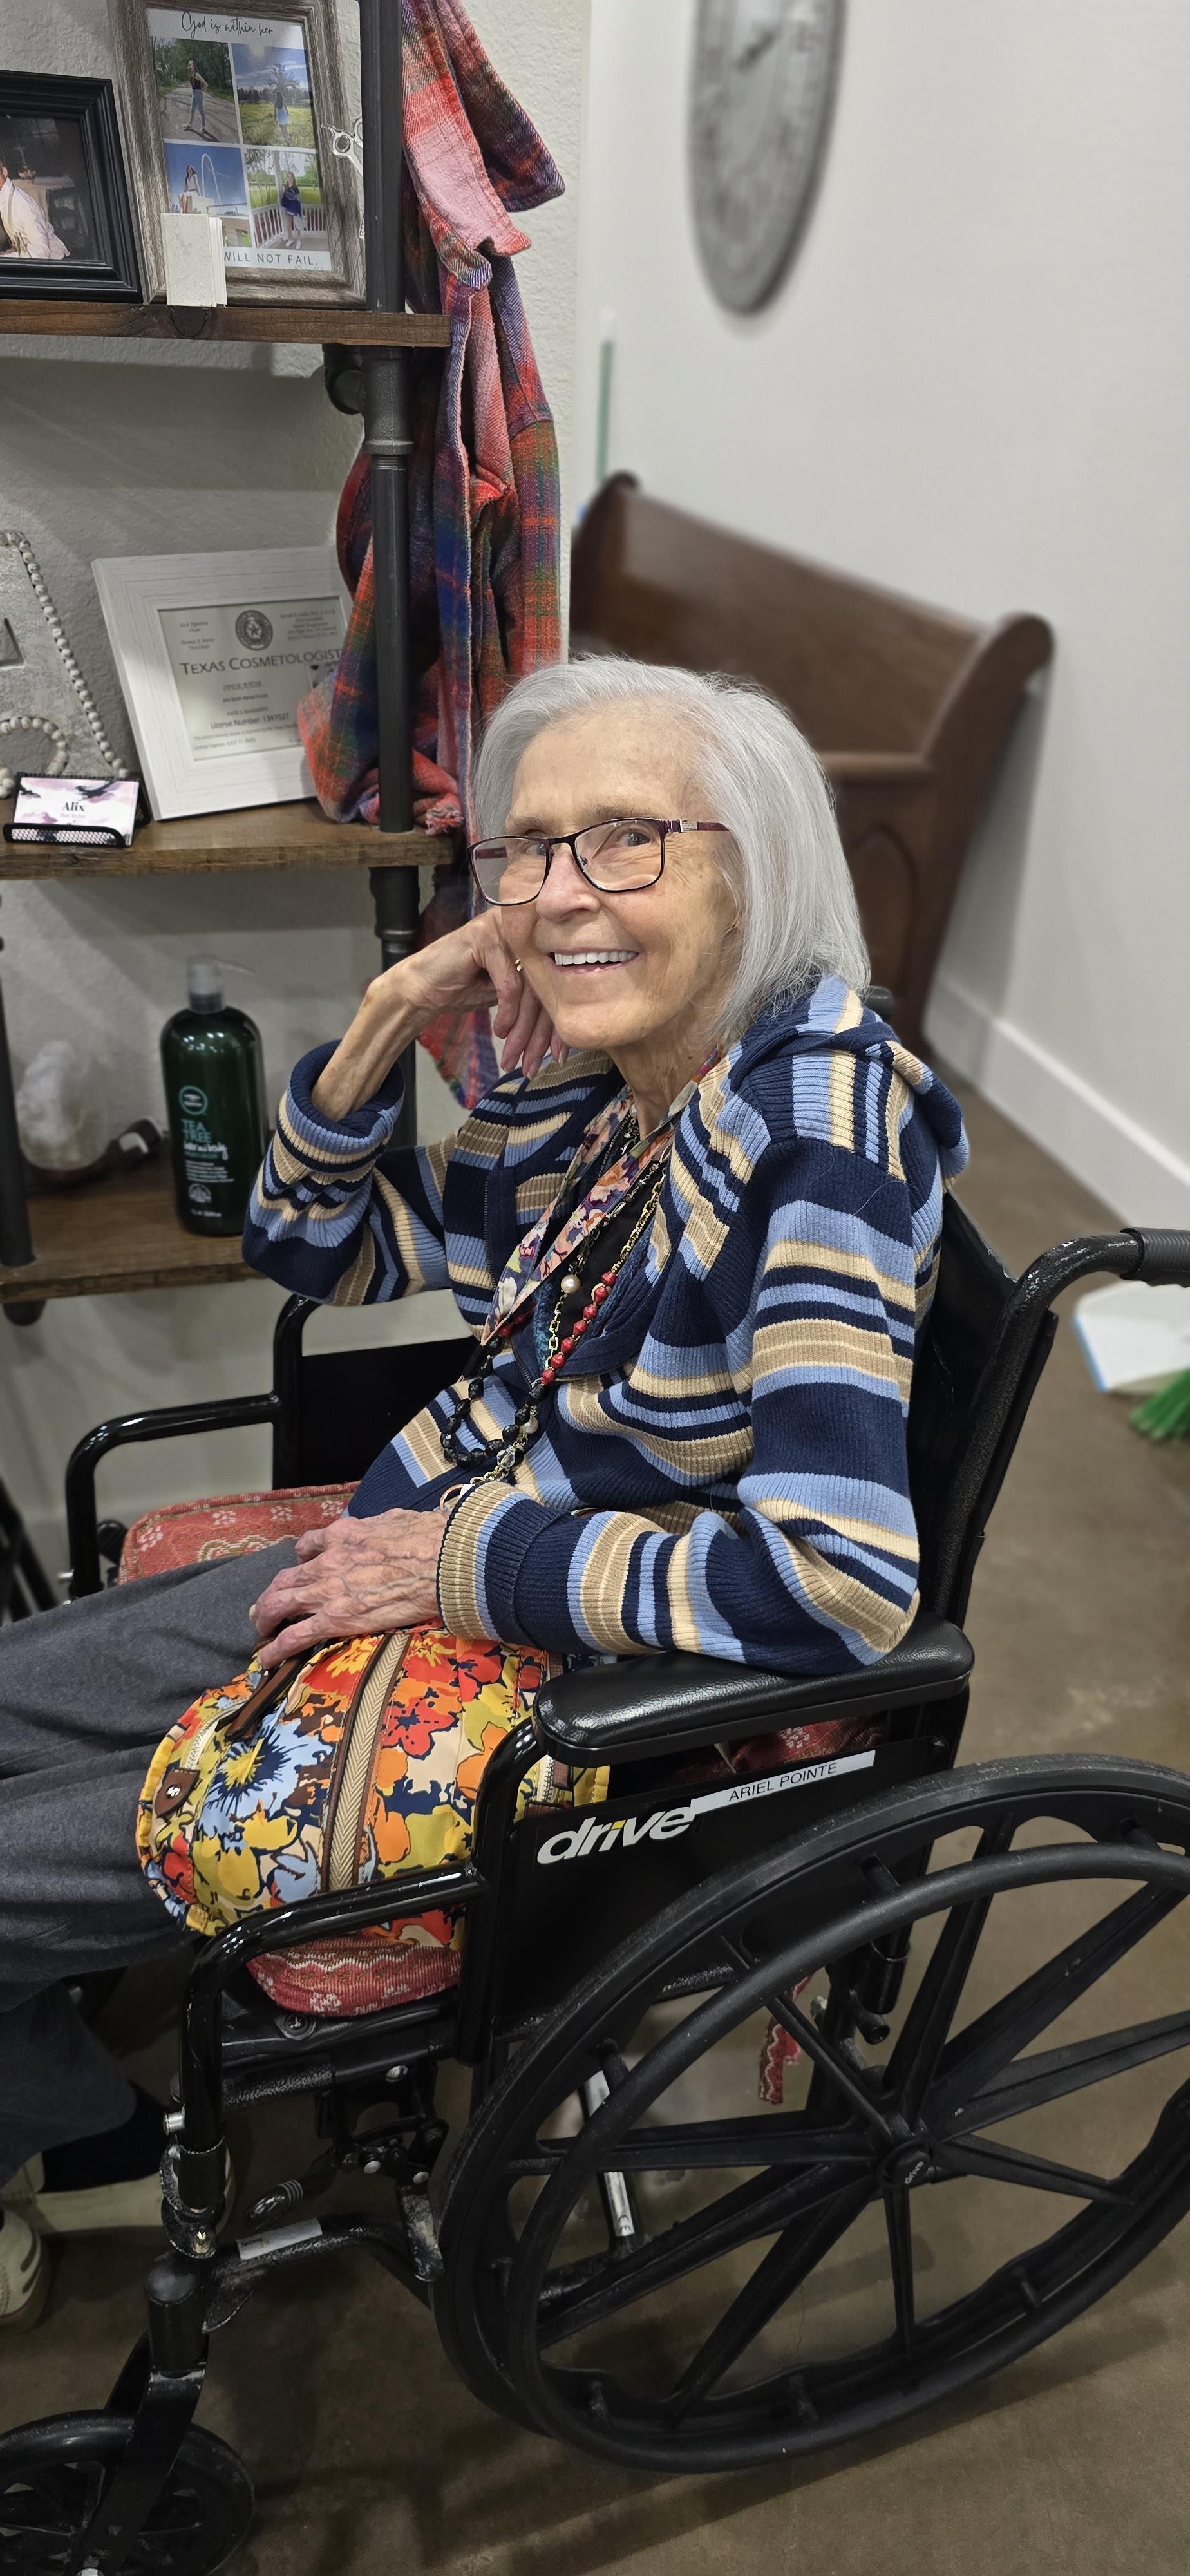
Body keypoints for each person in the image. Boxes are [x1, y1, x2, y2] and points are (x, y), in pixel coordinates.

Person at [0, 658, 967, 2324]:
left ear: (758, 869)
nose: (556, 896)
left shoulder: (820, 1135)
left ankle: (79, 2130)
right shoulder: (624, 1078)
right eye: (526, 852)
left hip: (549, 1643)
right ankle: (69, 2112)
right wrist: (398, 1020)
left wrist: (462, 1568)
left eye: (624, 844)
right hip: (431, 1529)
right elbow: (316, 1249)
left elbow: (838, 1577)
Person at [0, 160, 68, 260]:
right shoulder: (4, 197)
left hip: (53, 264)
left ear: (4, 172)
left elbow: (41, 252)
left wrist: (5, 258)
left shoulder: (22, 204)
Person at [185, 60, 209, 137]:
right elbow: (193, 85)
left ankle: (203, 127)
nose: (191, 67)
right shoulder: (191, 74)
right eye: (190, 65)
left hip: (198, 93)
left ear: (194, 66)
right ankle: (190, 125)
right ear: (188, 67)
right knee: (192, 109)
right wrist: (193, 91)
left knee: (200, 109)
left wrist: (203, 89)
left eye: (192, 65)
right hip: (194, 93)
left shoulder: (197, 75)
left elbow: (206, 84)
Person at [279, 169, 303, 240]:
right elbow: (284, 199)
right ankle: (291, 239)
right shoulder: (285, 188)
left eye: (291, 177)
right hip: (289, 210)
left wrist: (299, 213)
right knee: (288, 226)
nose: (290, 179)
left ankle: (299, 240)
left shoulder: (296, 189)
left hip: (295, 210)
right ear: (286, 178)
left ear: (293, 179)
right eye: (288, 177)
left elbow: (299, 201)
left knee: (297, 226)